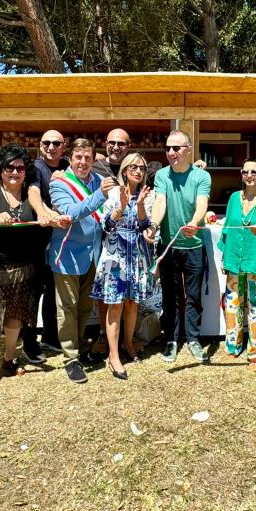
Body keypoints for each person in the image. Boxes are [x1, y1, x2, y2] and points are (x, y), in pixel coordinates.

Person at [0, 144, 50, 392]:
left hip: (23, 266)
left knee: (15, 315)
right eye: (9, 167)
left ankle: (10, 358)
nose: (15, 172)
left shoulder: (31, 193)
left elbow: (45, 215)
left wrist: (56, 217)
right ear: (0, 169)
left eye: (20, 167)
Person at [49, 138, 116, 383]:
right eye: (78, 158)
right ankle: (70, 357)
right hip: (67, 254)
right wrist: (100, 195)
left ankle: (79, 350)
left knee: (85, 308)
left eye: (88, 158)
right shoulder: (59, 184)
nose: (83, 162)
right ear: (71, 158)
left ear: (93, 158)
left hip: (94, 254)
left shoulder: (99, 180)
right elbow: (71, 213)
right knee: (66, 309)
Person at [147, 130, 212, 364]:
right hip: (168, 246)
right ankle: (172, 340)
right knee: (171, 296)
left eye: (176, 148)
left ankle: (193, 339)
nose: (171, 153)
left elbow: (202, 203)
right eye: (168, 148)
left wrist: (195, 223)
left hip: (194, 245)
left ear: (188, 149)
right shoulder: (162, 175)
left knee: (193, 296)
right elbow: (160, 202)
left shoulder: (202, 176)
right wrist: (154, 225)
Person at [90, 152, 155, 380]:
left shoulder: (149, 194)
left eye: (142, 168)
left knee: (131, 303)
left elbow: (147, 226)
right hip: (115, 255)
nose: (138, 171)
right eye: (134, 167)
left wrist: (138, 208)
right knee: (115, 305)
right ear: (125, 170)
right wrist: (122, 206)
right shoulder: (114, 193)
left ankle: (128, 343)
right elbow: (105, 226)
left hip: (136, 255)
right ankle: (114, 355)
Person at [219, 158, 256, 367]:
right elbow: (227, 228)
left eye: (254, 172)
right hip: (235, 259)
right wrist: (225, 257)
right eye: (245, 172)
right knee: (233, 304)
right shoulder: (234, 198)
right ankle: (233, 345)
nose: (249, 176)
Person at [27, 129, 69, 356]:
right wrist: (44, 212)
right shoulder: (35, 167)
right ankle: (29, 342)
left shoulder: (68, 164)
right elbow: (33, 192)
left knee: (54, 292)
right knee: (34, 294)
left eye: (56, 143)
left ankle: (51, 338)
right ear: (40, 145)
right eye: (46, 143)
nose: (51, 147)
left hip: (60, 241)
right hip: (37, 241)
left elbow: (94, 163)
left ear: (64, 146)